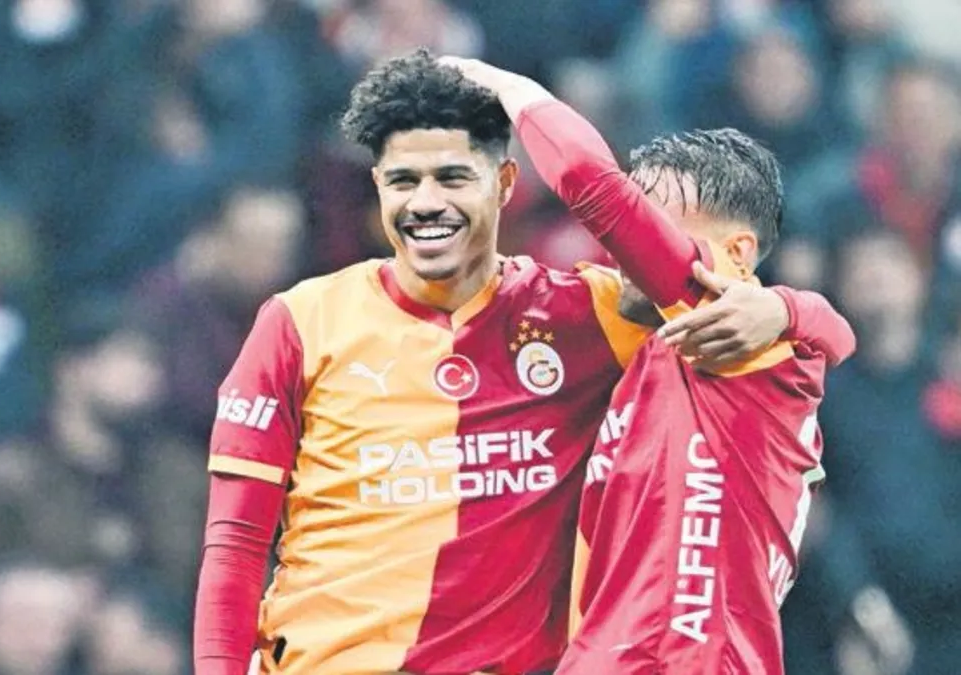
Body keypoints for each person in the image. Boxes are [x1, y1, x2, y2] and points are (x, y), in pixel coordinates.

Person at [193, 50, 849, 675]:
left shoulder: (603, 314)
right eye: (403, 180)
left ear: (505, 183)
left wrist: (789, 310)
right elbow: (235, 543)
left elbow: (796, 345)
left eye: (453, 177)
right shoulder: (298, 322)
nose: (426, 202)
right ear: (377, 189)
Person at [548, 129, 855, 674]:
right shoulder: (650, 349)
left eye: (651, 223)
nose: (626, 242)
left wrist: (506, 90)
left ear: (737, 252)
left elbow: (582, 174)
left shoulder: (753, 348)